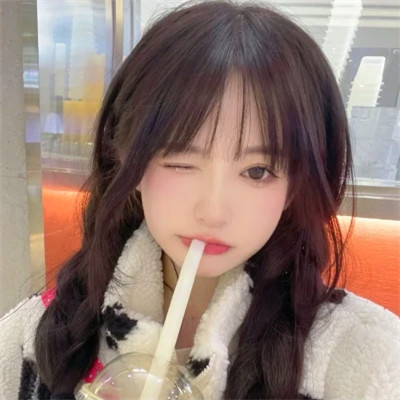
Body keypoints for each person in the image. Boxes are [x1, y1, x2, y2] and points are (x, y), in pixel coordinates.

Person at [1, 1, 399, 399]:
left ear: (295, 184)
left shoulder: (366, 363)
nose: (213, 212)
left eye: (257, 171)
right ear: (127, 159)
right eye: (180, 162)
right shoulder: (34, 336)